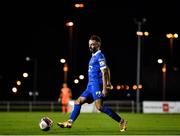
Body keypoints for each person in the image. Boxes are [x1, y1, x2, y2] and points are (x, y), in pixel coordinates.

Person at [57, 35, 127, 132]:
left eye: (93, 44)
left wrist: (105, 88)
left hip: (97, 86)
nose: (90, 46)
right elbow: (107, 68)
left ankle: (121, 121)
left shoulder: (100, 56)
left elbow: (104, 72)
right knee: (78, 102)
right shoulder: (93, 56)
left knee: (99, 107)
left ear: (98, 45)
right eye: (89, 44)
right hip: (90, 86)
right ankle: (69, 122)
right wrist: (109, 81)